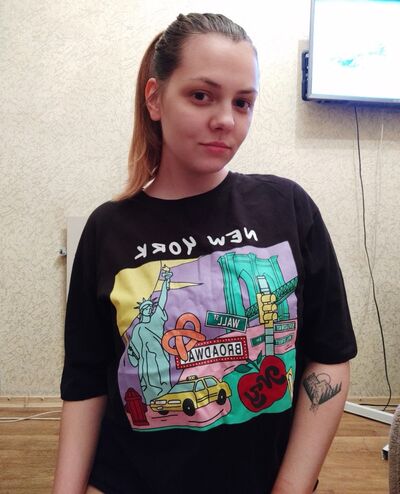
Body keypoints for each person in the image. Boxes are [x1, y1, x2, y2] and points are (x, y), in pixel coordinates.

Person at [53, 12, 357, 494]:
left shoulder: (288, 207)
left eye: (243, 102)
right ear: (155, 98)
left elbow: (329, 356)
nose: (226, 120)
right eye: (201, 96)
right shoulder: (106, 230)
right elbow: (85, 383)